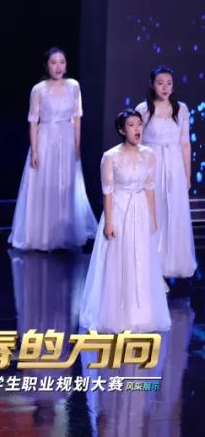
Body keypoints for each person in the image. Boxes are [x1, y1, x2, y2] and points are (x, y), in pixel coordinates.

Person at [79, 110, 170, 333]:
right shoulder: (111, 157)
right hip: (119, 210)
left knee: (141, 260)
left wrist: (153, 218)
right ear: (122, 130)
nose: (137, 129)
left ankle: (141, 315)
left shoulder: (149, 155)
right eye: (131, 125)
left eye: (139, 124)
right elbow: (108, 192)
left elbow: (150, 188)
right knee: (119, 260)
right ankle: (118, 315)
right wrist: (109, 222)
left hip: (140, 210)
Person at [9, 48, 97, 250]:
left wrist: (77, 145)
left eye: (62, 62)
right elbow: (33, 121)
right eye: (53, 62)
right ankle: (42, 234)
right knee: (45, 183)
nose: (58, 67)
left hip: (66, 138)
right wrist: (35, 150)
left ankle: (64, 231)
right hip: (46, 139)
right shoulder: (39, 89)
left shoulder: (73, 86)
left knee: (65, 184)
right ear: (46, 65)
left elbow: (77, 118)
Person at [136, 66, 196, 279]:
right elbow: (137, 143)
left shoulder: (181, 109)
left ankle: (173, 261)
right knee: (154, 210)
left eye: (169, 83)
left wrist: (187, 175)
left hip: (174, 165)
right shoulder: (143, 109)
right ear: (152, 84)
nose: (165, 87)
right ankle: (151, 261)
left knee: (174, 211)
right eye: (160, 83)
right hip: (152, 164)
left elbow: (185, 143)